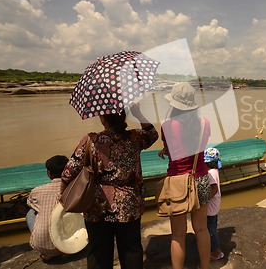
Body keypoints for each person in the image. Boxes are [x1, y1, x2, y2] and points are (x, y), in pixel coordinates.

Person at [61, 104, 158, 269]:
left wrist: (62, 192)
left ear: (103, 118)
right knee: (131, 250)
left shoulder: (91, 140)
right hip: (129, 205)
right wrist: (138, 113)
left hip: (97, 205)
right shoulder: (135, 138)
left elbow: (69, 171)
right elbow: (153, 134)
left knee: (99, 252)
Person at [158, 82, 211, 269]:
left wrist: (165, 150)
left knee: (178, 235)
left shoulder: (167, 126)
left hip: (177, 182)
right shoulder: (205, 123)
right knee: (202, 229)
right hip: (201, 179)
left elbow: (173, 147)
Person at [27, 155, 69, 261]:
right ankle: (65, 251)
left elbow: (30, 203)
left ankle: (49, 252)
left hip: (42, 246)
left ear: (49, 174)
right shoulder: (76, 189)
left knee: (30, 213)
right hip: (71, 244)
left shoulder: (37, 191)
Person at [204, 147, 224, 261]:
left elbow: (214, 188)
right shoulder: (215, 171)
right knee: (211, 227)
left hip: (210, 207)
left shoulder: (210, 173)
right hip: (214, 206)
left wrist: (205, 200)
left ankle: (217, 252)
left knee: (211, 230)